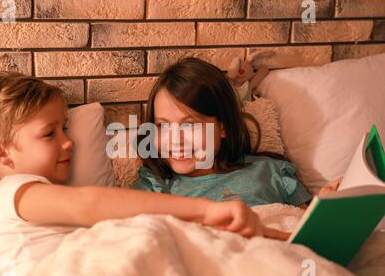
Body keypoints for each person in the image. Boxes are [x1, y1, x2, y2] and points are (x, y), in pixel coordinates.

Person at [0, 72, 289, 276]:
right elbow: (93, 205)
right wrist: (203, 210)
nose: (69, 142)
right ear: (2, 153)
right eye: (50, 133)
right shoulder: (12, 193)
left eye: (66, 128)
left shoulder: (35, 196)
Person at [133, 58, 337, 208]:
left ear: (222, 126)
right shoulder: (154, 187)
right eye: (163, 126)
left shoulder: (270, 172)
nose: (175, 141)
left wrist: (328, 212)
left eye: (189, 125)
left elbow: (307, 232)